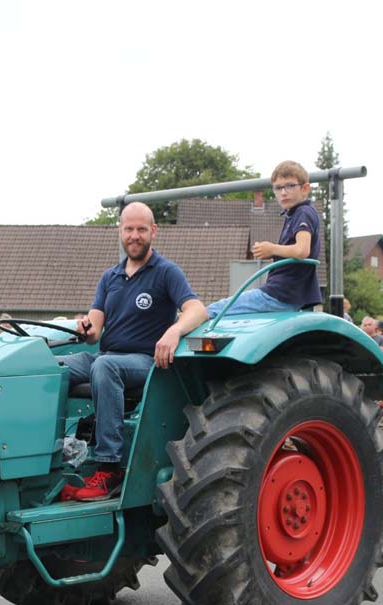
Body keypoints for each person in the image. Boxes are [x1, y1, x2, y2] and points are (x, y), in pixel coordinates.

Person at [60, 202, 208, 501]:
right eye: (129, 229)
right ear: (120, 231)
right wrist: (85, 328)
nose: (135, 235)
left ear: (153, 231)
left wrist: (174, 330)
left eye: (142, 229)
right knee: (51, 366)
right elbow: (95, 332)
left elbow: (197, 309)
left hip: (144, 363)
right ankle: (55, 454)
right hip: (104, 356)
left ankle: (110, 468)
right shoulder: (109, 278)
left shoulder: (166, 272)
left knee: (104, 368)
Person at [205, 161, 320, 317]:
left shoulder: (303, 212)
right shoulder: (292, 214)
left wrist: (272, 249)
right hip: (285, 293)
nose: (284, 192)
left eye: (290, 186)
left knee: (214, 310)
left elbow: (302, 250)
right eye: (278, 188)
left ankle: (177, 328)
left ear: (305, 188)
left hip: (281, 294)